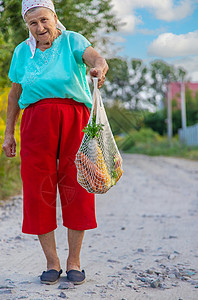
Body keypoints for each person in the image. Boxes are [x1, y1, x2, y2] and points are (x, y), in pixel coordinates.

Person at [2, 0, 108, 285]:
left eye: (44, 20)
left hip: (75, 117)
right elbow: (15, 94)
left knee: (78, 184)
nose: (40, 27)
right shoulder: (22, 51)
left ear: (54, 18)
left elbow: (94, 57)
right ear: (28, 26)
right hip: (36, 120)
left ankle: (74, 261)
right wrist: (9, 132)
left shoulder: (72, 40)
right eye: (33, 23)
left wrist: (99, 67)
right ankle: (52, 262)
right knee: (38, 187)